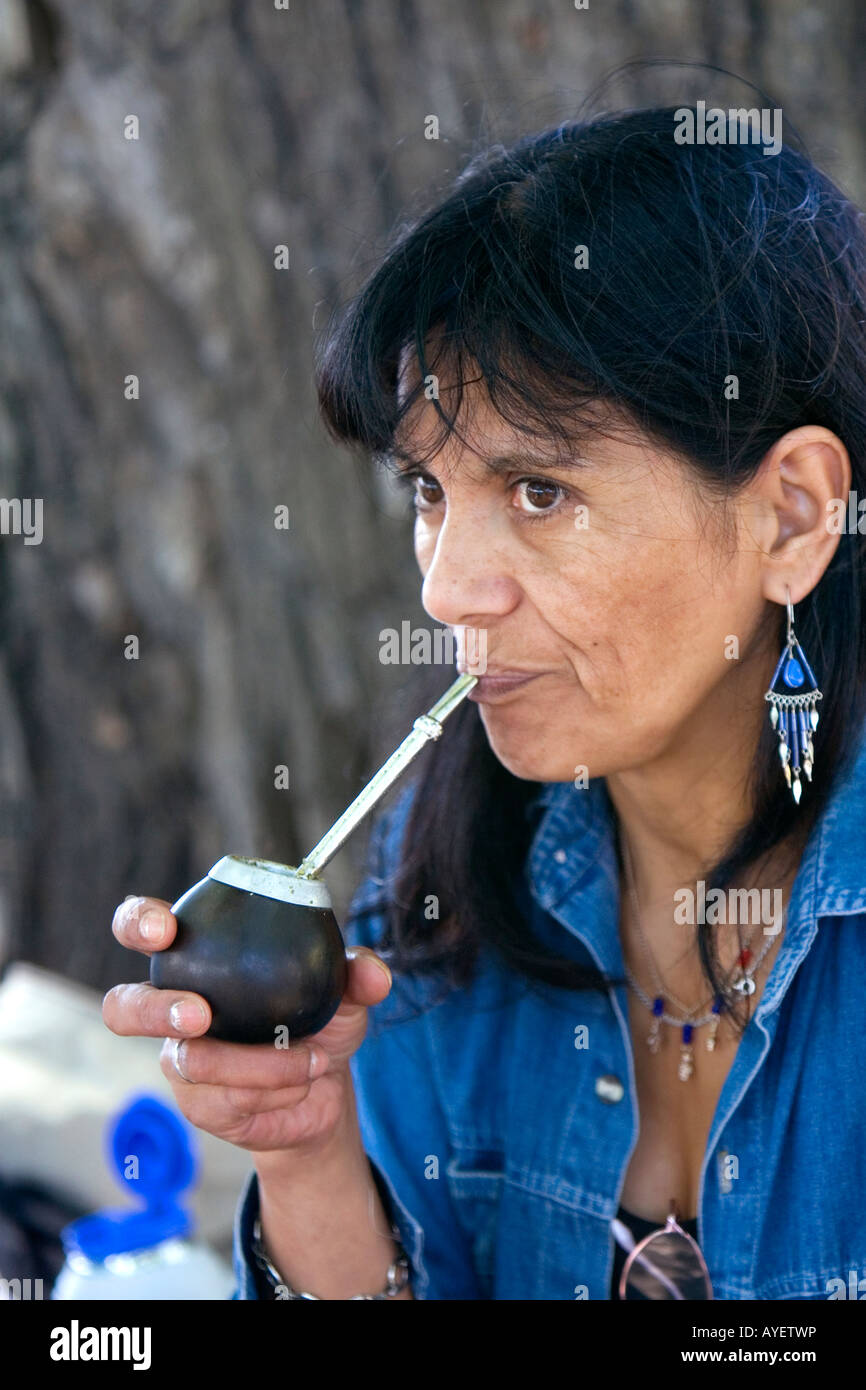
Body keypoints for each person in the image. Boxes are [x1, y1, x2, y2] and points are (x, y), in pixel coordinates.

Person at [104, 104, 866, 1300]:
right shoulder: (449, 876)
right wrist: (308, 1152)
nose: (448, 587)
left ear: (792, 517)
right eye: (426, 488)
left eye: (539, 490)